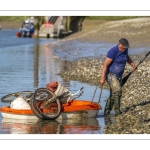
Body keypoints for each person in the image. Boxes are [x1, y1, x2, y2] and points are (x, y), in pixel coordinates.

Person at [100, 38, 136, 116]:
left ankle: (106, 112)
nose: (124, 49)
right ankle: (117, 112)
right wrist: (102, 78)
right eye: (123, 47)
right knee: (117, 91)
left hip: (119, 76)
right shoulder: (113, 51)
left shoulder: (125, 50)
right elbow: (105, 65)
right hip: (110, 74)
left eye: (126, 48)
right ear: (119, 44)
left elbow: (127, 57)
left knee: (113, 94)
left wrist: (132, 64)